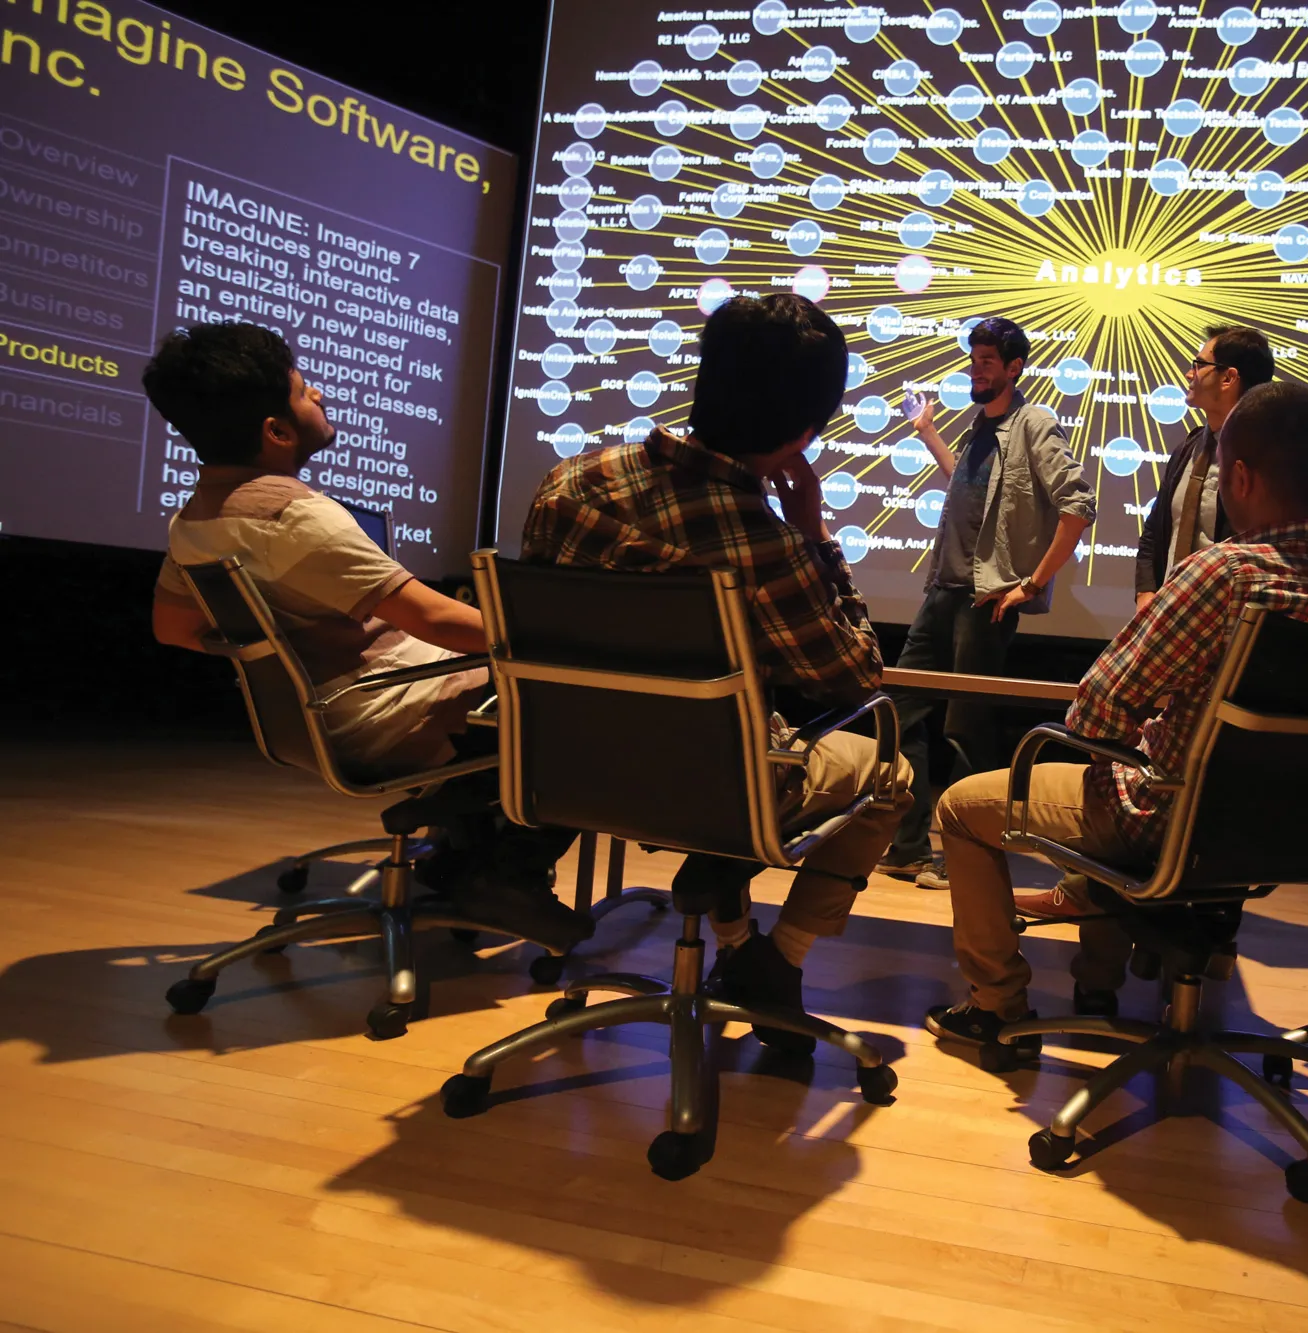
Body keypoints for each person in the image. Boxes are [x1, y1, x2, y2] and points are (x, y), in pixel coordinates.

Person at [922, 381, 1308, 1047]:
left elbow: (1096, 706)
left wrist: (1142, 731)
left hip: (1175, 819)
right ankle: (1096, 979)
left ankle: (997, 1002)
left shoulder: (1223, 574)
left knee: (967, 808)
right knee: (1116, 778)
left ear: (1238, 474)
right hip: (1299, 829)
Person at [518, 293, 914, 1049]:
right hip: (715, 783)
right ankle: (776, 959)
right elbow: (856, 675)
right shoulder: (768, 545)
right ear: (804, 433)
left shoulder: (568, 483)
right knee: (885, 770)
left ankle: (732, 940)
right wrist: (817, 537)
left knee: (737, 731)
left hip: (565, 773)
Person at [144, 323, 588, 949]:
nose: (319, 394)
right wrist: (574, 640)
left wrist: (284, 651)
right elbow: (439, 624)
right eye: (303, 392)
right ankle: (504, 873)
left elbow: (173, 628)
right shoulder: (297, 517)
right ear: (276, 430)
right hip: (388, 712)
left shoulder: (194, 521)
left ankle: (456, 859)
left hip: (319, 715)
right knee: (590, 692)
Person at [876, 316, 1096, 891]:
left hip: (985, 598)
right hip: (941, 590)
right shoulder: (979, 428)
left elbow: (1078, 505)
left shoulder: (1035, 424)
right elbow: (966, 488)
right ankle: (907, 846)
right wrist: (928, 433)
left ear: (1014, 368)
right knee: (899, 714)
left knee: (965, 729)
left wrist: (1031, 584)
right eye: (973, 361)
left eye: (987, 363)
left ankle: (963, 855)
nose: (976, 371)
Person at [1132, 325, 1273, 617]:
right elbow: (1155, 531)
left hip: (1224, 622)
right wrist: (1146, 593)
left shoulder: (1265, 456)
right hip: (1167, 615)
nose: (1189, 374)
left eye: (1198, 365)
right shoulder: (1190, 445)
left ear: (1228, 377)